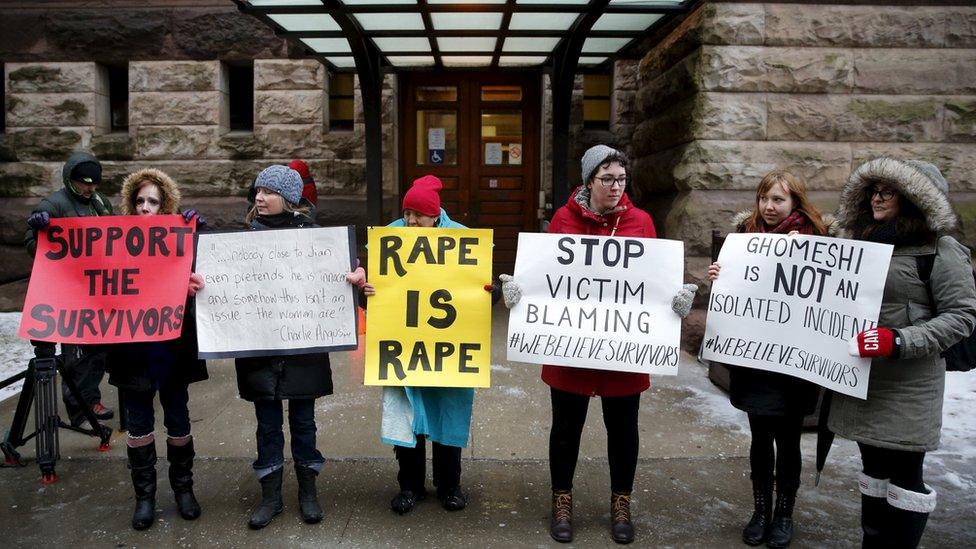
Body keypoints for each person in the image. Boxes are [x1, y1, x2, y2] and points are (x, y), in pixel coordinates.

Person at [500, 145, 696, 544]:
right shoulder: (563, 219)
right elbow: (547, 278)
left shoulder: (640, 221)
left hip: (624, 351)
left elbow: (656, 284)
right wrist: (521, 294)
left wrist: (676, 302)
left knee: (623, 429)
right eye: (607, 179)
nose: (616, 187)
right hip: (570, 348)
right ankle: (562, 499)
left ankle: (621, 503)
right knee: (565, 428)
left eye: (621, 179)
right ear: (589, 181)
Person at [830, 158, 976, 548]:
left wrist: (897, 340)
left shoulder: (941, 249)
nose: (877, 197)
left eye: (887, 191)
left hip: (909, 387)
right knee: (872, 470)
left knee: (905, 477)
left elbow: (962, 317)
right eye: (873, 190)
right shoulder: (857, 241)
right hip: (864, 380)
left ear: (913, 198)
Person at [235, 165, 365, 529]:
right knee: (267, 425)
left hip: (303, 349)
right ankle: (271, 496)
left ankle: (309, 491)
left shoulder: (317, 240)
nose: (259, 198)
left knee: (304, 423)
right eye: (257, 192)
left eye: (268, 192)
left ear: (289, 199)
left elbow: (343, 281)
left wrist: (355, 279)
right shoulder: (243, 239)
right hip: (260, 350)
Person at [357, 175, 493, 516]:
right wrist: (368, 290)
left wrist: (487, 293)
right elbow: (373, 292)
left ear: (436, 215)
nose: (411, 220)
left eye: (418, 214)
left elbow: (478, 295)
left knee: (448, 412)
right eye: (407, 213)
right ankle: (410, 486)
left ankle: (451, 485)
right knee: (407, 415)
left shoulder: (462, 239)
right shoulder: (389, 237)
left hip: (447, 349)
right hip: (404, 347)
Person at [707, 170, 829, 547]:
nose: (769, 206)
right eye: (764, 198)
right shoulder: (743, 237)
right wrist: (719, 277)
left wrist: (804, 257)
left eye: (778, 199)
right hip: (755, 359)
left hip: (793, 364)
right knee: (760, 437)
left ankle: (784, 514)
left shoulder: (818, 241)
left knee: (789, 440)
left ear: (795, 203)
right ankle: (760, 510)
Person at [107, 168, 208, 530]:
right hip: (132, 351)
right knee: (139, 425)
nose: (146, 207)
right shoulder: (114, 240)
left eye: (153, 201)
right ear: (131, 205)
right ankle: (145, 498)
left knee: (178, 419)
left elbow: (206, 270)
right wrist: (41, 230)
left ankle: (184, 491)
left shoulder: (182, 237)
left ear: (165, 204)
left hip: (171, 349)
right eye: (140, 201)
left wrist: (199, 232)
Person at [24, 151, 115, 429]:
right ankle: (79, 413)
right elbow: (31, 245)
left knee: (98, 352)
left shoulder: (99, 203)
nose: (90, 188)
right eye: (84, 183)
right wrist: (41, 230)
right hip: (69, 292)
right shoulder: (53, 205)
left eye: (94, 183)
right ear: (70, 179)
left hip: (97, 289)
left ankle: (92, 400)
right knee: (76, 356)